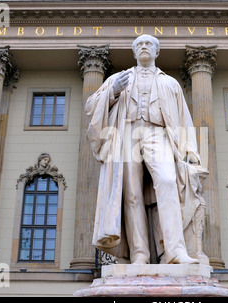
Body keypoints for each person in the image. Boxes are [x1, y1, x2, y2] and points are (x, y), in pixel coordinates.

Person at [86, 34, 207, 265]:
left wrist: (190, 150)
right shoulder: (118, 79)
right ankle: (139, 254)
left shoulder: (170, 83)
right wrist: (113, 92)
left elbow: (183, 118)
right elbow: (91, 106)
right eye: (139, 44)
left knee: (168, 181)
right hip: (127, 133)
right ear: (134, 53)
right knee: (131, 194)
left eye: (148, 44)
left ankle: (175, 251)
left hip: (157, 133)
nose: (144, 47)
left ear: (156, 51)